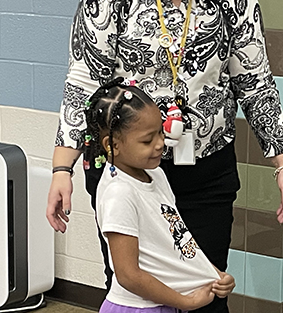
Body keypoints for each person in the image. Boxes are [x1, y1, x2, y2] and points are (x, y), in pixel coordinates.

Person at [45, 0, 283, 313]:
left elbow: (255, 81)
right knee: (134, 291)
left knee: (208, 287)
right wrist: (61, 168)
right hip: (126, 173)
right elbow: (84, 82)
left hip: (205, 170)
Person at [84, 78, 235, 313]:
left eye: (160, 133)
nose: (159, 144)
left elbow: (174, 239)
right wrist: (186, 302)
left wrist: (213, 274)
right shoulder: (119, 193)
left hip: (163, 304)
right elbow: (128, 275)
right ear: (112, 145)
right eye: (147, 140)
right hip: (137, 308)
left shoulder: (156, 175)